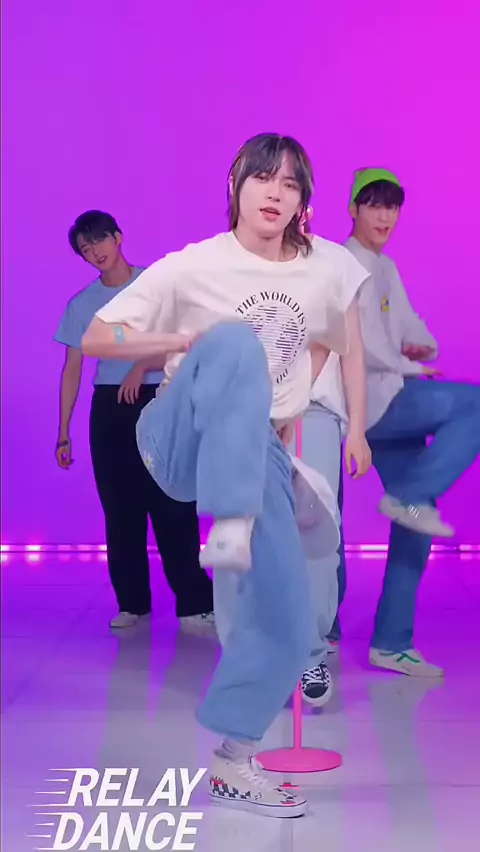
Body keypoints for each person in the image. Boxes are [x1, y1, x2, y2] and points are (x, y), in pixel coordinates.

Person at [81, 134, 370, 817]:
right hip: (180, 432)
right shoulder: (194, 266)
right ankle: (232, 519)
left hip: (254, 448)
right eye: (263, 178)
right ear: (236, 183)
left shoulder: (325, 268)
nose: (275, 193)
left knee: (292, 619)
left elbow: (339, 342)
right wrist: (181, 342)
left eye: (291, 184)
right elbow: (97, 337)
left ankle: (234, 764)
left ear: (303, 200)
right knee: (234, 340)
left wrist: (303, 408)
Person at [343, 167, 480, 676]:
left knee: (416, 522)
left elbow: (406, 325)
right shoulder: (345, 266)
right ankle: (411, 494)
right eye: (374, 204)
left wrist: (421, 347)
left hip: (391, 399)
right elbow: (359, 343)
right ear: (353, 209)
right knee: (475, 404)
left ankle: (391, 642)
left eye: (392, 206)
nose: (384, 216)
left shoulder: (386, 267)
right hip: (371, 403)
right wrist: (411, 366)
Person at [54, 210, 214, 632]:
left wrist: (142, 366)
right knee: (120, 507)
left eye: (99, 240)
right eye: (85, 249)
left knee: (173, 503)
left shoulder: (156, 285)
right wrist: (63, 432)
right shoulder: (82, 304)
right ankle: (133, 603)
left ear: (118, 237)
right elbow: (72, 369)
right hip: (111, 405)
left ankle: (196, 603)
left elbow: (187, 341)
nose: (94, 252)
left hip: (161, 397)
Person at [298, 203, 371, 706]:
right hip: (252, 413)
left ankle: (310, 651)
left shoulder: (334, 262)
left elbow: (353, 352)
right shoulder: (232, 261)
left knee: (318, 534)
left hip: (316, 414)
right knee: (255, 536)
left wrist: (357, 431)